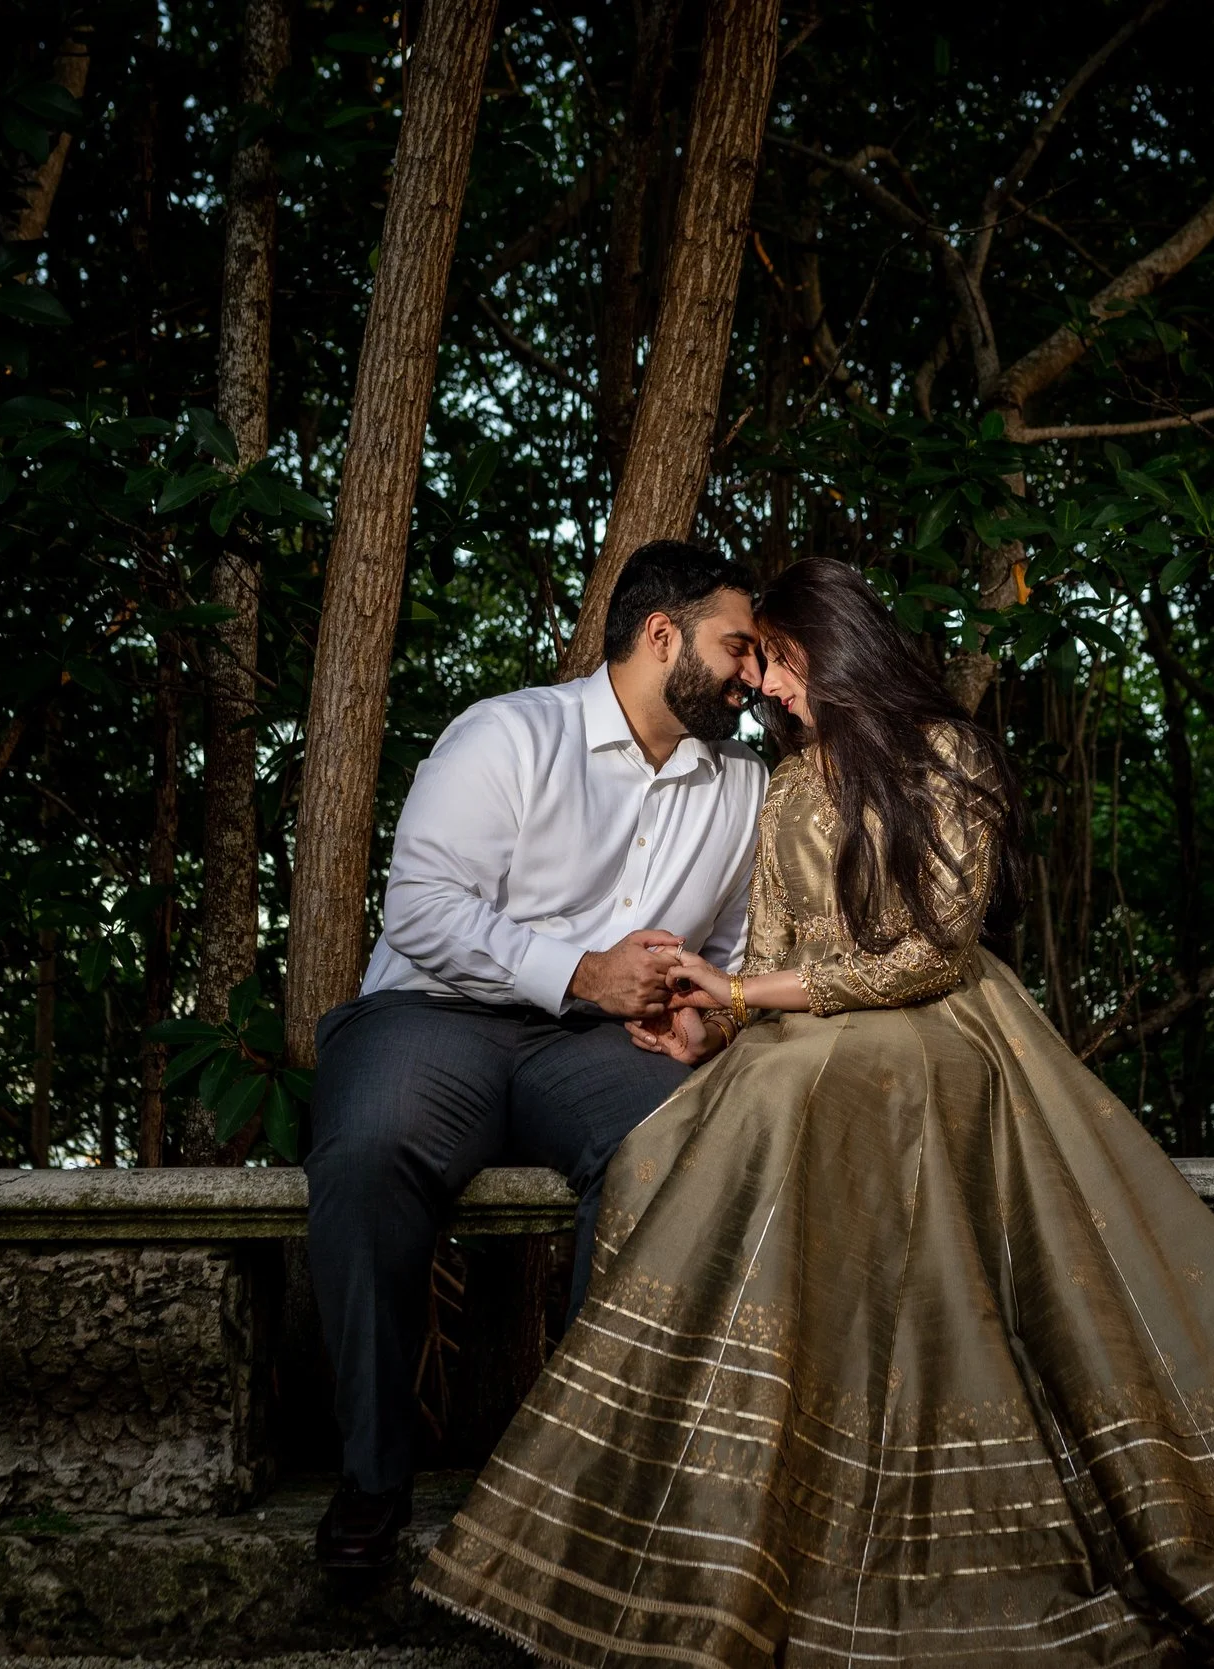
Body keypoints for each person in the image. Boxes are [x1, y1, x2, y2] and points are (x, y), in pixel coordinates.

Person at [417, 559, 1214, 1666]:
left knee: (803, 1084)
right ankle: (676, 1514)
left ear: (840, 651)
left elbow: (928, 951)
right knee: (687, 1123)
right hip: (799, 1037)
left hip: (940, 1026)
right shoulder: (784, 781)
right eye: (760, 669)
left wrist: (747, 1001)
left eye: (785, 666)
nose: (768, 691)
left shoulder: (943, 753)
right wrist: (710, 1022)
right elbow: (763, 954)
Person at [306, 541, 769, 1571]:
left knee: (679, 1141)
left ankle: (579, 1480)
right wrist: (579, 971)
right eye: (736, 645)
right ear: (661, 634)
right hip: (435, 1016)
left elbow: (735, 956)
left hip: (607, 1048)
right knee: (368, 1149)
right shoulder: (509, 734)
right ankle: (372, 1477)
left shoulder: (743, 789)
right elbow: (421, 913)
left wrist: (710, 1020)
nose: (751, 673)